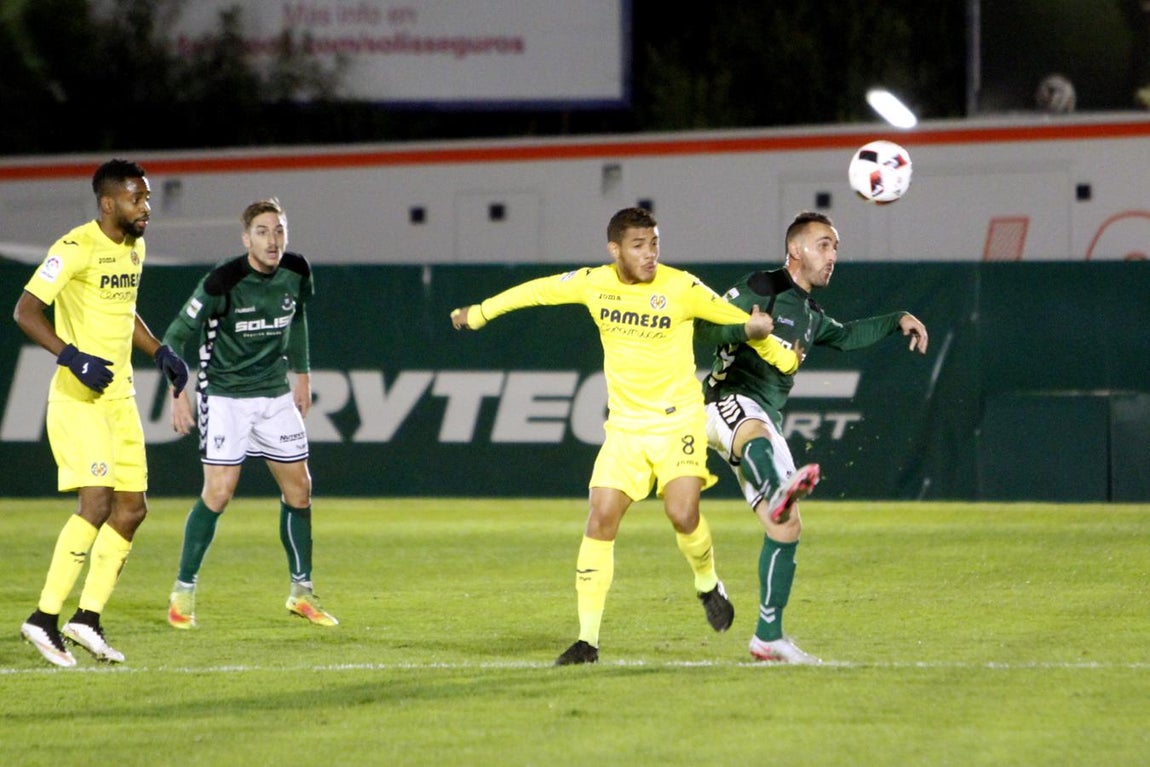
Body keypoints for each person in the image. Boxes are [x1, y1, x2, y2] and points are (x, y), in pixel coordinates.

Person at [451, 206, 798, 665]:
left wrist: (777, 351)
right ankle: (587, 641)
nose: (650, 254)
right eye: (639, 245)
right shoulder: (594, 283)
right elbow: (537, 292)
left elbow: (734, 318)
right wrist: (479, 313)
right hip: (626, 429)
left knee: (682, 514)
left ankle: (707, 582)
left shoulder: (681, 286)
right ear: (614, 249)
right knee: (601, 518)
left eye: (654, 243)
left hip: (678, 423)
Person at [697, 210, 928, 664]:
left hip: (765, 415)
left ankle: (768, 637)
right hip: (727, 400)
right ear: (795, 250)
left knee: (786, 527)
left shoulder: (809, 313)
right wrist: (745, 328)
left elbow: (846, 335)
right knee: (755, 430)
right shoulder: (761, 287)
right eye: (824, 245)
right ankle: (776, 486)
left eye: (836, 247)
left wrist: (897, 318)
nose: (832, 256)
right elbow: (703, 325)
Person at [14, 159, 190, 667]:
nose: (147, 208)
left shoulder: (134, 246)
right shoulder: (73, 248)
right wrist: (72, 356)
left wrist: (159, 351)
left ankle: (85, 618)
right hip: (79, 397)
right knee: (96, 503)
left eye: (149, 199)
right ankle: (43, 619)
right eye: (139, 199)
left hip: (121, 397)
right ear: (109, 203)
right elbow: (26, 310)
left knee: (131, 510)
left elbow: (124, 308)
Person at [162, 198, 337, 629]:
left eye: (278, 230)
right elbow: (175, 335)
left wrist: (303, 376)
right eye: (262, 231)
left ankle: (301, 592)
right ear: (246, 239)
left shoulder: (297, 272)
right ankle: (182, 594)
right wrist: (178, 390)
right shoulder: (224, 280)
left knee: (300, 491)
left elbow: (297, 320)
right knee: (219, 493)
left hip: (274, 394)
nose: (272, 239)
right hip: (225, 396)